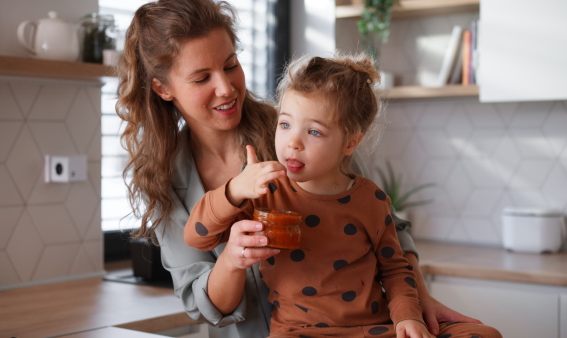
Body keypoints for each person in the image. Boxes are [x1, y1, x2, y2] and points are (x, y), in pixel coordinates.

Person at [115, 0, 500, 337]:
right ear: (163, 89)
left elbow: (387, 230)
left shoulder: (302, 128)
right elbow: (205, 304)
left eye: (231, 65)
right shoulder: (165, 180)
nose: (227, 88)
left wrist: (416, 303)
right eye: (202, 78)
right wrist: (232, 258)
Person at [183, 53, 501, 338]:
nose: (293, 143)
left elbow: (395, 269)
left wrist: (409, 317)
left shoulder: (371, 200)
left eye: (314, 132)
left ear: (349, 143)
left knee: (485, 334)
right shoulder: (265, 192)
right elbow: (196, 238)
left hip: (375, 328)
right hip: (298, 332)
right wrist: (234, 189)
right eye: (285, 125)